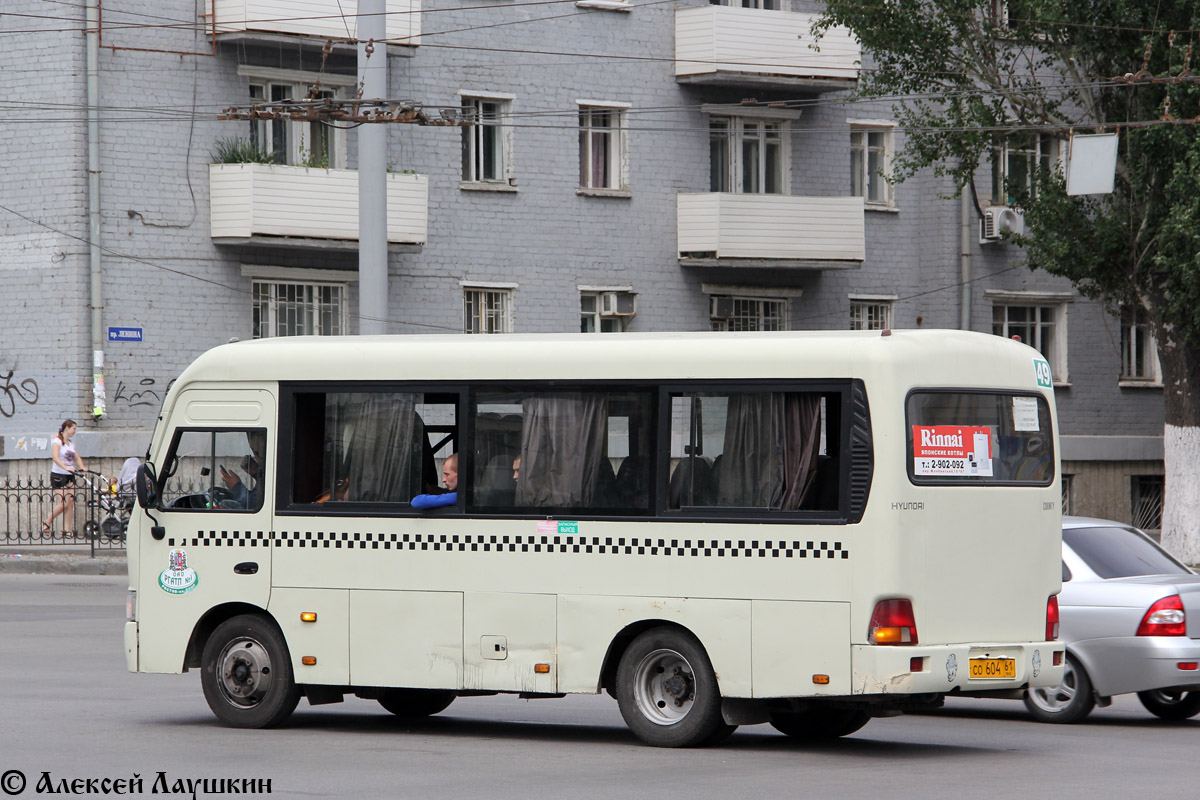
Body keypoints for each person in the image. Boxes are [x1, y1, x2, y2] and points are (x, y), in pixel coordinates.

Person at [43, 419, 86, 536]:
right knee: (63, 502)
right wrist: (65, 467)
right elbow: (55, 458)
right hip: (58, 474)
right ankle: (47, 521)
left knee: (70, 502)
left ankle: (67, 530)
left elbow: (77, 457)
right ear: (67, 428)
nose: (75, 431)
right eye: (74, 428)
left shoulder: (71, 444)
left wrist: (82, 467)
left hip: (69, 475)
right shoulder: (57, 441)